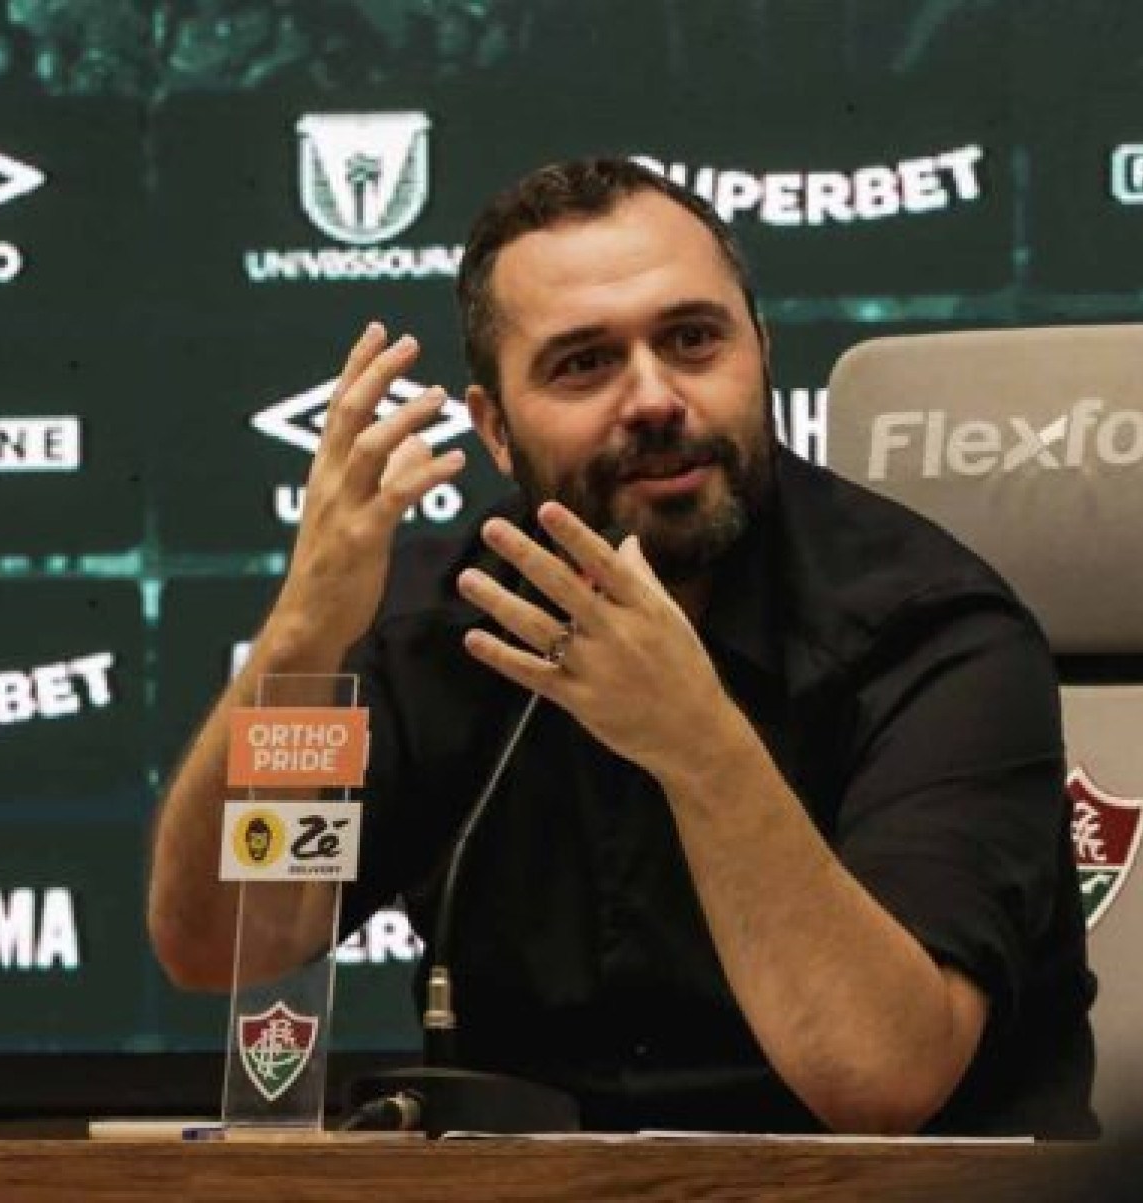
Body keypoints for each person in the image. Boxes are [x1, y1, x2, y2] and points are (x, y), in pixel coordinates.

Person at [147, 158, 1095, 1136]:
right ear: (497, 432)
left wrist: (697, 743)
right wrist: (304, 637)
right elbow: (221, 947)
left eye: (692, 339)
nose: (653, 397)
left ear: (760, 354)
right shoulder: (444, 625)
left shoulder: (934, 633)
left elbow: (884, 1078)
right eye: (584, 363)